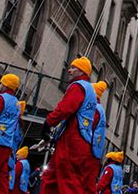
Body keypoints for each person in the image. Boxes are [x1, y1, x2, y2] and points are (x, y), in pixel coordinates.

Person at [45, 56, 107, 194]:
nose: (69, 70)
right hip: (82, 143)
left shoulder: (79, 87)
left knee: (68, 181)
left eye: (74, 68)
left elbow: (65, 108)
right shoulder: (91, 95)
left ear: (82, 71)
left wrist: (49, 122)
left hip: (72, 140)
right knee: (53, 177)